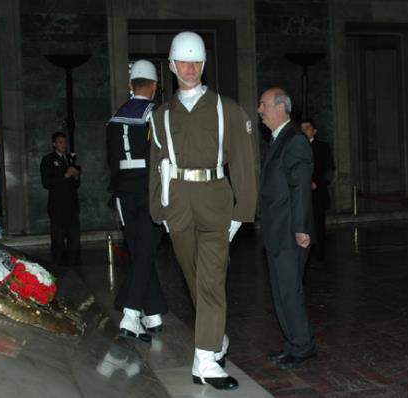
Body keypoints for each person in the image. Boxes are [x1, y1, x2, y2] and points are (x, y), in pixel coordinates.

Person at [149, 31, 258, 391]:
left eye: (196, 62)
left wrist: (242, 212)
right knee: (195, 280)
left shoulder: (227, 109)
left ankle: (206, 359)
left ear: (204, 65)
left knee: (211, 280)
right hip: (178, 205)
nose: (190, 68)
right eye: (184, 61)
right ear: (172, 66)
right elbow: (156, 165)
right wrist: (159, 210)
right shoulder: (160, 116)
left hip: (216, 203)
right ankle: (216, 336)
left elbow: (243, 163)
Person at [106, 60, 168, 343]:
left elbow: (111, 161)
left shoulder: (115, 118)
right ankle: (131, 315)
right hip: (149, 190)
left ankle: (153, 314)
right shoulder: (155, 114)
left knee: (142, 251)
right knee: (144, 253)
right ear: (154, 86)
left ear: (130, 86)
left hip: (122, 194)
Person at [258, 87, 316, 370]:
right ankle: (293, 343)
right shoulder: (279, 139)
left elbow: (301, 187)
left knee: (290, 290)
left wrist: (301, 228)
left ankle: (304, 346)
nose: (260, 110)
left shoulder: (294, 140)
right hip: (276, 230)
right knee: (281, 290)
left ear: (281, 107)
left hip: (290, 231)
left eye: (263, 104)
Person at [40, 132, 80, 267]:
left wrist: (76, 176)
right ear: (54, 144)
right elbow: (46, 182)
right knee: (58, 235)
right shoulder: (48, 160)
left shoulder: (69, 159)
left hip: (72, 203)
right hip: (57, 204)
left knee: (74, 234)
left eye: (65, 142)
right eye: (60, 142)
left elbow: (76, 184)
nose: (64, 145)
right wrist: (65, 175)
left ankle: (74, 262)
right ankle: (58, 263)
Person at [300, 118, 335, 261]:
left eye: (307, 128)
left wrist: (317, 183)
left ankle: (320, 252)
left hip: (317, 192)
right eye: (302, 128)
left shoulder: (322, 147)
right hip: (300, 192)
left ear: (314, 131)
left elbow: (329, 170)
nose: (304, 131)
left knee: (318, 223)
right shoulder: (296, 147)